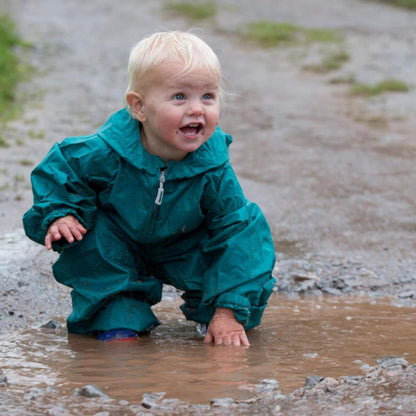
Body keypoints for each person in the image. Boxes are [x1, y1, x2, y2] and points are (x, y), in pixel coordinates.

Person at [23, 31, 276, 346]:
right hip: (119, 241)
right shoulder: (108, 150)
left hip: (182, 246)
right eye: (180, 97)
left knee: (247, 228)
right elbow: (61, 169)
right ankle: (118, 317)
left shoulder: (212, 168)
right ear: (139, 107)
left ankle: (218, 315)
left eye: (208, 96)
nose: (197, 109)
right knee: (93, 242)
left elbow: (237, 232)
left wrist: (230, 308)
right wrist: (60, 213)